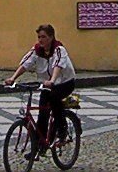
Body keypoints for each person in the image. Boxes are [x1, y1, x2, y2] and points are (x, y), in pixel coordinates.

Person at [5, 24, 76, 157]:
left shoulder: (59, 49)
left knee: (55, 100)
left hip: (65, 83)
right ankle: (39, 147)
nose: (40, 40)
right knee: (42, 115)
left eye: (44, 37)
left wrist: (52, 80)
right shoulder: (37, 50)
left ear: (51, 37)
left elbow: (58, 65)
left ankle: (62, 130)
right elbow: (26, 63)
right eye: (39, 37)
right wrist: (13, 78)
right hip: (46, 84)